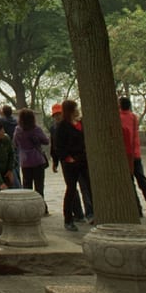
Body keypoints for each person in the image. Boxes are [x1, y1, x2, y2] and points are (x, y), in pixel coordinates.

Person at [52, 99, 93, 231]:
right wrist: (66, 158)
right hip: (71, 162)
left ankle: (92, 213)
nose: (77, 110)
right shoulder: (62, 126)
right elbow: (58, 146)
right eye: (75, 108)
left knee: (89, 186)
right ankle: (68, 219)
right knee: (71, 190)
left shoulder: (80, 123)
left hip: (83, 160)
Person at [119, 97, 146, 217]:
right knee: (142, 180)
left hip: (126, 154)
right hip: (136, 153)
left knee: (130, 182)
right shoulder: (133, 117)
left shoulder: (119, 117)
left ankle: (137, 208)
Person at [13, 108, 50, 209]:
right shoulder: (36, 129)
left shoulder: (18, 130)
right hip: (37, 160)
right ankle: (42, 208)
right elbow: (46, 141)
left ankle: (28, 207)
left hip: (25, 161)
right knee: (39, 187)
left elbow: (15, 143)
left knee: (27, 186)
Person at [0, 105, 21, 187]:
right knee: (17, 165)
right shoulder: (16, 121)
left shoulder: (2, 121)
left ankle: (15, 184)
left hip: (6, 146)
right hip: (16, 144)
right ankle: (19, 182)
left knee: (10, 166)